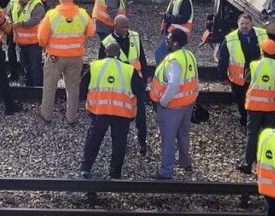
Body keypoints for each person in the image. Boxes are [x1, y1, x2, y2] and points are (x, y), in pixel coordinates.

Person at [79, 42, 144, 179]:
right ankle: (115, 173)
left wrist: (86, 101)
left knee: (93, 140)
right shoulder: (129, 69)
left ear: (105, 53)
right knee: (119, 143)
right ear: (119, 54)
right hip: (122, 113)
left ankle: (85, 168)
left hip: (99, 111)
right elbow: (140, 90)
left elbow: (82, 88)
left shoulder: (94, 66)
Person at [37, 0, 95, 124]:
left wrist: (48, 46)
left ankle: (46, 115)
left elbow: (41, 38)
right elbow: (91, 31)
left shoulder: (52, 15)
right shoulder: (82, 14)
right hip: (75, 57)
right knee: (73, 88)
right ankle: (71, 117)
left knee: (50, 87)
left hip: (55, 57)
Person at [149, 29, 199, 179]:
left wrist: (164, 102)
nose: (167, 41)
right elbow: (195, 78)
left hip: (172, 106)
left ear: (176, 43)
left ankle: (166, 171)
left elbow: (174, 84)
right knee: (183, 134)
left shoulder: (172, 61)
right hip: (187, 103)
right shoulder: (189, 55)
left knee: (168, 138)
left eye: (169, 39)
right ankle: (185, 162)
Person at [102, 15, 148, 155]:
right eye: (123, 27)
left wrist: (144, 79)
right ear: (114, 26)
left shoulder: (134, 36)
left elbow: (142, 59)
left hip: (136, 84)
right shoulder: (107, 42)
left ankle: (142, 141)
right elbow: (102, 65)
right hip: (119, 87)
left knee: (141, 116)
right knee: (122, 118)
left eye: (127, 26)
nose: (126, 30)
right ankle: (121, 143)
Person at [216, 13, 267, 131]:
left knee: (258, 99)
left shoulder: (262, 34)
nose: (245, 26)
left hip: (258, 75)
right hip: (239, 78)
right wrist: (222, 76)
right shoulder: (230, 38)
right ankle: (245, 119)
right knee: (241, 100)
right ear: (238, 24)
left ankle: (258, 120)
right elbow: (223, 59)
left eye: (247, 23)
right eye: (242, 24)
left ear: (251, 24)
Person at [239, 38, 275, 175]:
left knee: (252, 135)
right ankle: (264, 166)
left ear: (262, 50)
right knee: (267, 136)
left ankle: (247, 164)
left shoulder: (254, 65)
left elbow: (246, 80)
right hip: (271, 107)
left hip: (254, 106)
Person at [9, 0, 45, 86]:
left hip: (34, 42)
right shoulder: (13, 2)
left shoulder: (36, 4)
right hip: (21, 42)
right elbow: (7, 14)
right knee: (25, 66)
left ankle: (38, 87)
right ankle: (29, 86)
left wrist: (20, 24)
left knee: (35, 67)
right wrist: (9, 21)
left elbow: (35, 20)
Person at [155, 0, 194, 64]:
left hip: (176, 34)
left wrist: (166, 16)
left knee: (160, 54)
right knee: (168, 56)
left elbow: (184, 18)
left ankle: (162, 75)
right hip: (173, 33)